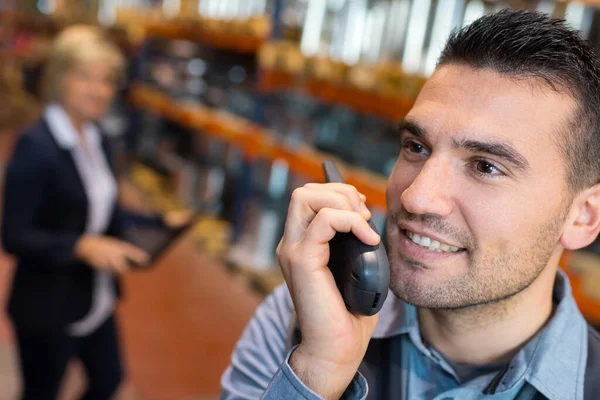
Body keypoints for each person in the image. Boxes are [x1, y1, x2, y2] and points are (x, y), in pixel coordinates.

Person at [220, 9, 600, 400]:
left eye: (485, 166)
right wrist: (316, 374)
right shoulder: (301, 320)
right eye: (416, 147)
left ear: (583, 217)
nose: (416, 197)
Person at [1, 25, 186, 400]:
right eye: (85, 78)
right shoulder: (36, 147)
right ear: (59, 78)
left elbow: (107, 210)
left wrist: (159, 222)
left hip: (95, 299)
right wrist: (81, 247)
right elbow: (14, 235)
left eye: (107, 81)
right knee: (41, 391)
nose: (99, 91)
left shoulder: (97, 138)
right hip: (46, 306)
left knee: (107, 382)